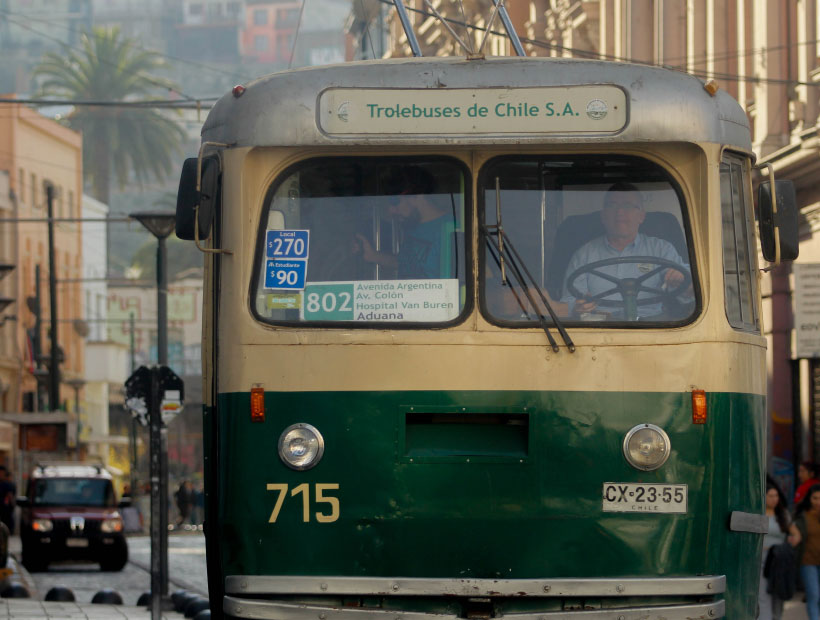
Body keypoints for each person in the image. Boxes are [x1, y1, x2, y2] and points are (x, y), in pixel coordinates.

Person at [560, 182, 690, 320]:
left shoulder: (662, 249)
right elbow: (569, 301)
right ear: (603, 216)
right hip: (600, 327)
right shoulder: (584, 254)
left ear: (641, 216)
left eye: (627, 206)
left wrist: (681, 279)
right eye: (612, 205)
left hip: (652, 325)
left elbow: (688, 292)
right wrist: (577, 308)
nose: (620, 212)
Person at [353, 166, 452, 279]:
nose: (391, 210)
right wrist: (374, 256)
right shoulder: (412, 225)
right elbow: (408, 265)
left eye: (395, 201)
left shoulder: (452, 228)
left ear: (417, 194)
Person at [760, 479, 800, 620]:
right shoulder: (758, 514)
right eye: (770, 496)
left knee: (778, 594)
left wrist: (789, 543)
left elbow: (796, 535)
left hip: (779, 559)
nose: (774, 499)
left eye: (776, 496)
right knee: (763, 595)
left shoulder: (783, 515)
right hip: (762, 559)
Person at [795, 484, 820, 620]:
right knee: (813, 594)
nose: (818, 502)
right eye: (815, 498)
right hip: (808, 562)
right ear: (809, 499)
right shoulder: (803, 516)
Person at [0, 466, 16, 534]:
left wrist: (12, 505)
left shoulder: (7, 484)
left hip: (4, 509)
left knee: (6, 525)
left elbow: (10, 496)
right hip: (4, 508)